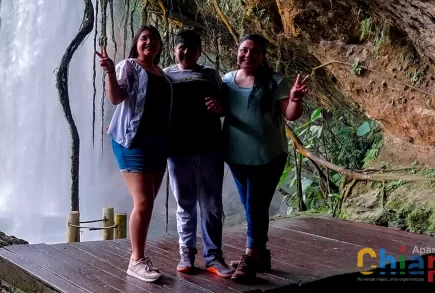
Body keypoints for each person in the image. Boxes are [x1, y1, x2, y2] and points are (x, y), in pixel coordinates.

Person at [222, 34, 309, 282]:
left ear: (263, 56)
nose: (248, 55)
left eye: (255, 51)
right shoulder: (227, 80)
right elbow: (221, 109)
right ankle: (260, 255)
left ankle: (250, 258)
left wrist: (295, 99)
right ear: (237, 52)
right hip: (236, 156)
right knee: (252, 208)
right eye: (244, 50)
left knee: (255, 207)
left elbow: (290, 115)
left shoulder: (275, 81)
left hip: (267, 156)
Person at [97, 25, 172, 283]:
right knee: (143, 202)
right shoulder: (129, 65)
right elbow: (117, 97)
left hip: (158, 145)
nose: (149, 41)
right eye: (144, 38)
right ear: (137, 44)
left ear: (160, 45)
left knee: (148, 203)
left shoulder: (163, 73)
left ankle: (140, 256)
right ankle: (136, 261)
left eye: (153, 38)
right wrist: (108, 71)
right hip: (132, 142)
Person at [163, 30, 233, 277]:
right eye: (181, 47)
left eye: (191, 48)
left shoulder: (211, 75)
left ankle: (214, 256)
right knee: (184, 203)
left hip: (209, 148)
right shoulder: (166, 75)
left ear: (199, 52)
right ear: (174, 50)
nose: (186, 51)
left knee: (212, 204)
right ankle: (187, 254)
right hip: (177, 150)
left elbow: (227, 107)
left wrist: (219, 108)